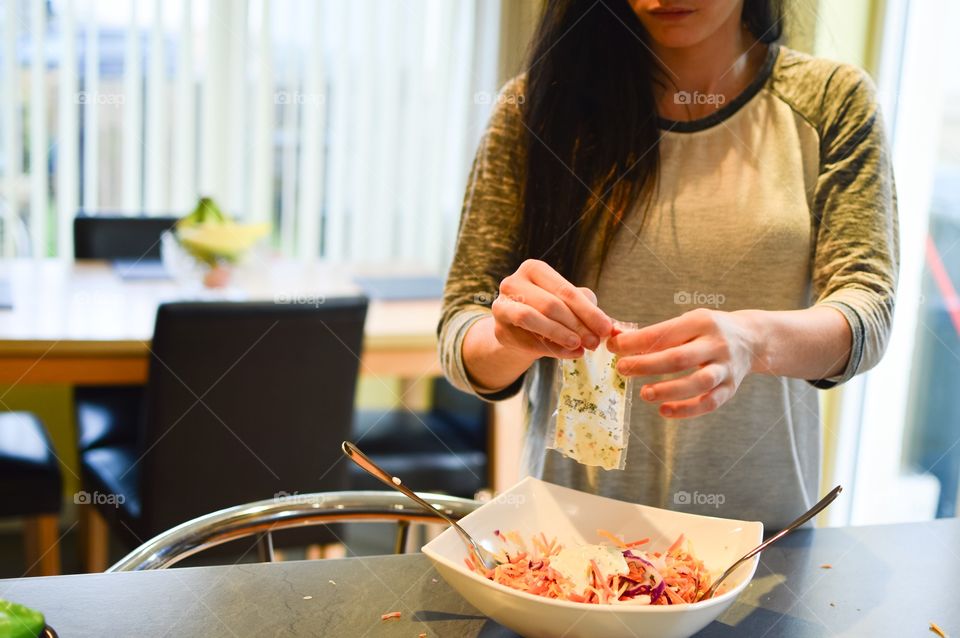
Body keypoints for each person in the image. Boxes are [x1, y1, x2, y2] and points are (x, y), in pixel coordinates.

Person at [439, 0, 898, 530]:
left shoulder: (830, 102)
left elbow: (868, 312)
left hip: (761, 552)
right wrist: (511, 338)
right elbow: (462, 329)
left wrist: (754, 341)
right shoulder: (537, 107)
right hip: (565, 550)